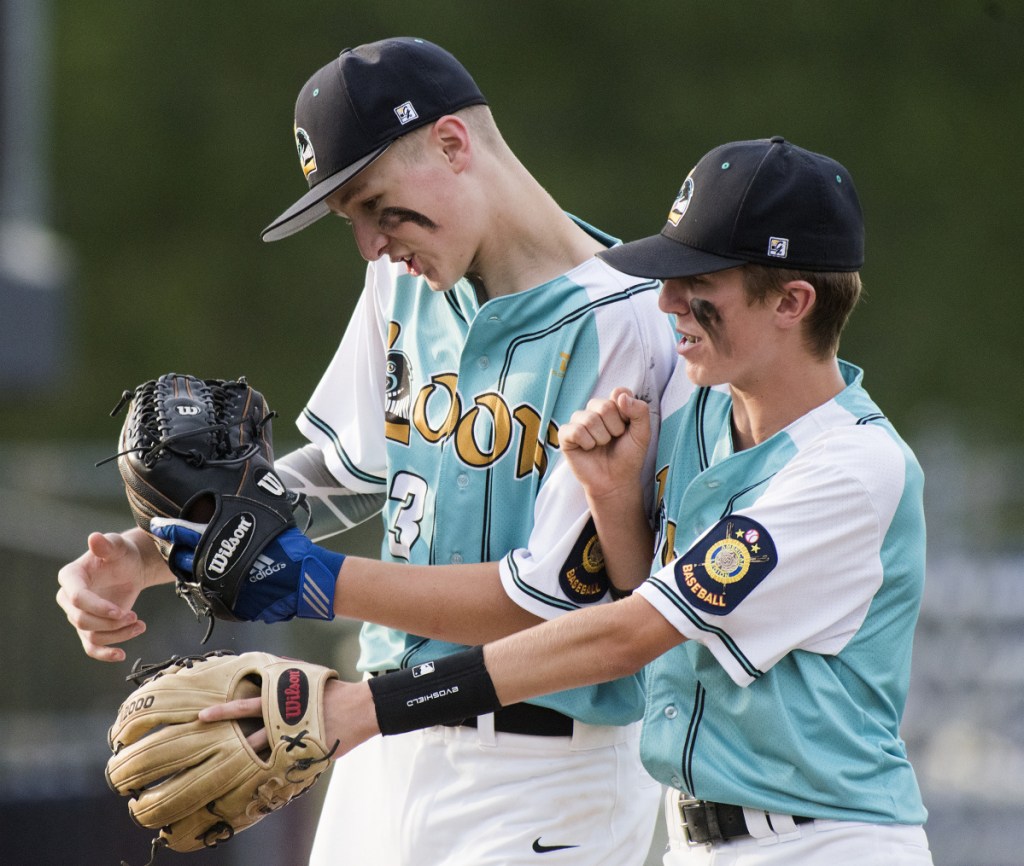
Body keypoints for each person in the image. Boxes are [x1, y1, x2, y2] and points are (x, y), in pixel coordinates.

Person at [207, 136, 933, 865]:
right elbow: (641, 597)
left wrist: (370, 705)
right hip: (697, 841)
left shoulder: (847, 470)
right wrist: (616, 500)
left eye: (697, 284)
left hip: (829, 844)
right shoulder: (697, 419)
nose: (667, 300)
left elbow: (627, 635)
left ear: (792, 301)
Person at [56, 37, 676, 865]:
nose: (371, 244)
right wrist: (159, 552)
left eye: (377, 205)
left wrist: (315, 583)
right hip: (375, 741)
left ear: (453, 145)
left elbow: (544, 603)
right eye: (352, 220)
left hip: (546, 764)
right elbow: (345, 473)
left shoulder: (631, 323)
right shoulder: (405, 282)